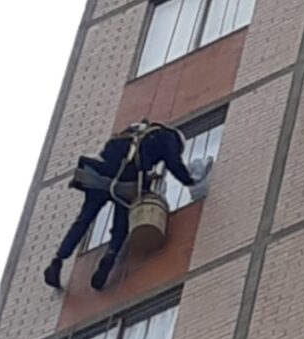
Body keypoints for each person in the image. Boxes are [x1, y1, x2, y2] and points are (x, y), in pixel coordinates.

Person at [43, 120, 200, 291]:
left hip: (100, 174)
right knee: (121, 226)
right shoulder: (168, 137)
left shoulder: (135, 131)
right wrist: (190, 181)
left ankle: (57, 261)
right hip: (126, 181)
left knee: (84, 219)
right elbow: (173, 162)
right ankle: (108, 259)